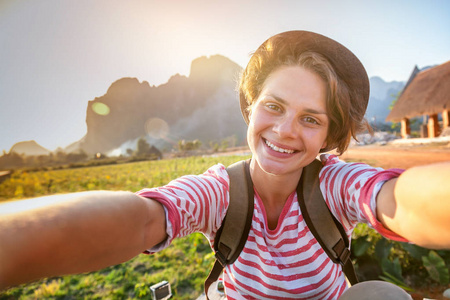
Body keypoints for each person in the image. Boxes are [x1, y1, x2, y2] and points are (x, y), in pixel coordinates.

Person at [0, 30, 449, 299]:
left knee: (384, 294)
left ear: (329, 137)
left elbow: (396, 200)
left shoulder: (336, 184)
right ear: (251, 108)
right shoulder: (219, 192)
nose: (286, 130)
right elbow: (141, 220)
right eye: (274, 106)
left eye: (310, 119)